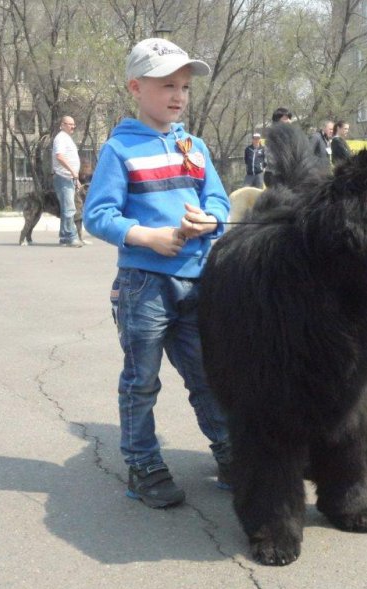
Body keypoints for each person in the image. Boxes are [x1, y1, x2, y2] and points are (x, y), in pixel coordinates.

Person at [83, 38, 232, 509]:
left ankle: (230, 451)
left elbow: (219, 201)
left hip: (197, 280)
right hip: (143, 286)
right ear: (136, 86)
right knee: (142, 380)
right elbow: (98, 214)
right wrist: (147, 236)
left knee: (208, 374)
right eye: (167, 84)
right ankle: (143, 464)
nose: (179, 95)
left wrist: (210, 220)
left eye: (185, 86)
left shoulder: (194, 144)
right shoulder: (119, 149)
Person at [52, 115, 83, 248]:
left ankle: (65, 237)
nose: (73, 127)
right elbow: (59, 156)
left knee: (68, 208)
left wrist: (75, 177)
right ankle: (70, 237)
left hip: (69, 178)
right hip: (63, 177)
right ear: (62, 124)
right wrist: (72, 171)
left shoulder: (66, 138)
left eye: (73, 124)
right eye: (70, 124)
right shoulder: (60, 138)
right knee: (69, 208)